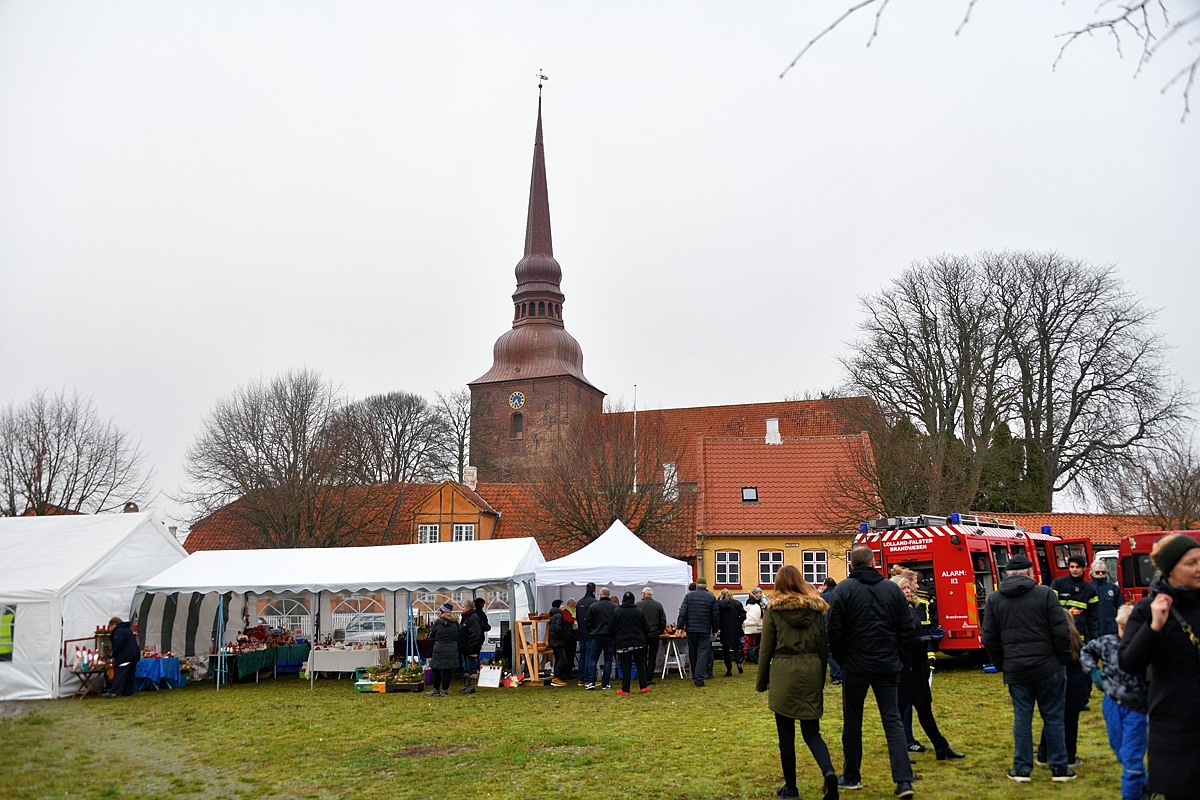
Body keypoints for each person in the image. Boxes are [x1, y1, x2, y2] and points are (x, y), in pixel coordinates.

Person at [826, 545, 916, 797]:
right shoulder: (891, 589)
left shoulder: (844, 590)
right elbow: (906, 628)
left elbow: (834, 630)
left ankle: (852, 775)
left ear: (852, 565)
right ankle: (903, 780)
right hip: (887, 664)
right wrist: (897, 653)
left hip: (856, 665)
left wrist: (843, 659)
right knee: (892, 720)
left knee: (852, 720)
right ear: (874, 562)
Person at [980, 553, 1075, 783]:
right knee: (1053, 716)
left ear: (1007, 574)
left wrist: (1001, 663)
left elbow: (989, 637)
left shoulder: (994, 599)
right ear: (1031, 572)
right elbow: (1061, 631)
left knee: (1022, 718)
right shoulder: (1045, 594)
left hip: (1016, 668)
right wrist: (1063, 659)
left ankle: (1022, 768)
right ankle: (1060, 767)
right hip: (1049, 666)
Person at [1118, 533, 1200, 800]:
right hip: (1176, 726)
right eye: (1191, 562)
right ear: (1171, 568)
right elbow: (1129, 662)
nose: (1199, 568)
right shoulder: (1147, 609)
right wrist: (1154, 627)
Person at [757, 564, 838, 800]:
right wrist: (821, 675)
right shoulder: (816, 609)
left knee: (786, 734)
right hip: (811, 669)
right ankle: (829, 771)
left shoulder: (774, 609)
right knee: (812, 732)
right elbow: (824, 646)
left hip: (784, 670)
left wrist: (762, 681)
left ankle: (791, 788)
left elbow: (766, 649)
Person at [891, 574, 964, 762]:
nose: (907, 591)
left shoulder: (911, 608)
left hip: (917, 666)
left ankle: (941, 747)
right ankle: (901, 752)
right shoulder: (895, 611)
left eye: (908, 587)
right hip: (905, 668)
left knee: (924, 709)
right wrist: (920, 641)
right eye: (903, 588)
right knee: (900, 712)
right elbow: (899, 639)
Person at [1082, 604, 1147, 800]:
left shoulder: (1146, 645)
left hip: (1138, 707)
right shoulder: (1108, 642)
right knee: (1119, 749)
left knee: (1131, 758)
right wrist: (1094, 673)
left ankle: (1134, 792)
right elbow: (1086, 651)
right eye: (1121, 627)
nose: (1125, 632)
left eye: (1129, 627)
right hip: (1111, 703)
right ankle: (1145, 784)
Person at [1035, 613, 1088, 769]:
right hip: (1074, 685)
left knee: (1051, 719)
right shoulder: (1077, 643)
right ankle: (1069, 756)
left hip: (1053, 683)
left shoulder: (1049, 642)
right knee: (1071, 722)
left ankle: (1043, 754)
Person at [677, 577, 719, 688]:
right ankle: (699, 678)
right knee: (702, 653)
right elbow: (715, 616)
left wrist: (680, 627)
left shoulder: (689, 596)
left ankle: (695, 676)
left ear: (696, 585)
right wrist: (714, 630)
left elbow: (683, 612)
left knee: (693, 652)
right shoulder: (711, 597)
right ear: (706, 586)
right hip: (704, 629)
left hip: (691, 629)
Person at [1051, 555, 1099, 642]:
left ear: (1083, 568)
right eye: (1072, 567)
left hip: (1080, 632)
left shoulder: (1089, 590)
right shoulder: (1058, 584)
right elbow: (1050, 606)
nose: (1074, 570)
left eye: (1078, 567)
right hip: (1061, 629)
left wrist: (1094, 638)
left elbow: (1093, 617)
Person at [611, 591, 651, 695]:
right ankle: (644, 686)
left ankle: (625, 689)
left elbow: (611, 628)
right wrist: (642, 636)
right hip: (638, 642)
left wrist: (616, 638)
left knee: (625, 666)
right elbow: (646, 627)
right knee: (641, 664)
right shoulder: (639, 611)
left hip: (623, 644)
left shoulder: (617, 611)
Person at [425, 602, 460, 697]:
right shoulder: (455, 623)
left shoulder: (438, 622)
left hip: (439, 648)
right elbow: (458, 634)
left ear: (442, 612)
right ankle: (445, 690)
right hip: (452, 648)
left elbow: (432, 634)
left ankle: (435, 689)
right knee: (447, 670)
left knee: (436, 669)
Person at [585, 586, 616, 690]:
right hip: (609, 635)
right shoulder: (614, 607)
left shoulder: (594, 606)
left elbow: (587, 622)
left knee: (593, 659)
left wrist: (592, 630)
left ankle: (592, 682)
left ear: (601, 595)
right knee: (608, 660)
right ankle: (605, 683)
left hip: (596, 635)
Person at [457, 597, 490, 694]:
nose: (461, 608)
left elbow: (475, 634)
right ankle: (467, 685)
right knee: (467, 667)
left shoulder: (473, 617)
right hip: (466, 647)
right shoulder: (466, 617)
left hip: (471, 648)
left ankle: (472, 687)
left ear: (468, 608)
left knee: (471, 667)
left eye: (463, 607)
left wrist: (470, 646)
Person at [103, 616, 140, 698]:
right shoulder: (127, 630)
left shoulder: (118, 631)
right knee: (129, 674)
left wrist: (113, 653)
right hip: (134, 655)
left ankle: (114, 691)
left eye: (111, 627)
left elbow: (118, 644)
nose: (111, 629)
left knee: (120, 673)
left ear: (114, 624)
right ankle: (127, 691)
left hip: (125, 656)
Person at [636, 586, 666, 682]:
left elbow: (635, 620)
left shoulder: (638, 605)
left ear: (644, 594)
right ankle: (649, 677)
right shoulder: (658, 605)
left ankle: (643, 676)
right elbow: (663, 621)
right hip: (654, 634)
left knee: (642, 656)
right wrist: (660, 631)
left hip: (642, 635)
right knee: (653, 656)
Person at [717, 588, 746, 676]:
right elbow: (743, 615)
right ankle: (738, 663)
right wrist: (739, 622)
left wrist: (718, 626)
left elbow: (717, 616)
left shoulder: (719, 604)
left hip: (724, 628)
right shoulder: (737, 603)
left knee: (725, 650)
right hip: (736, 628)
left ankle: (729, 669)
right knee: (736, 647)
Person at [575, 583, 598, 687]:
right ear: (594, 591)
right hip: (590, 633)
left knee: (583, 655)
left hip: (581, 633)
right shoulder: (594, 603)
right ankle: (589, 678)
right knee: (590, 655)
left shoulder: (579, 602)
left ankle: (581, 678)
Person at [1090, 560, 1120, 638]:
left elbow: (1120, 608)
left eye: (1103, 572)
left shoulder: (1113, 588)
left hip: (1111, 629)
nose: (1100, 574)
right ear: (1092, 573)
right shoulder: (1088, 588)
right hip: (1094, 629)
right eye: (1097, 572)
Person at [820, 578, 841, 685]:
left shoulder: (823, 597)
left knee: (829, 652)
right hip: (841, 626)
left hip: (827, 627)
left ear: (826, 586)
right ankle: (836, 674)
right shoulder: (841, 594)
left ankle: (837, 674)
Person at [547, 599, 571, 687]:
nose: (563, 606)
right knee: (562, 658)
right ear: (558, 606)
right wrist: (564, 636)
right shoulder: (559, 616)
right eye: (562, 604)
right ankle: (556, 677)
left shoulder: (553, 615)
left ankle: (557, 676)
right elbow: (558, 628)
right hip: (557, 641)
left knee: (558, 658)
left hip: (554, 640)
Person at [743, 587, 765, 663]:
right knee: (751, 640)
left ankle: (750, 654)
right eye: (760, 593)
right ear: (755, 594)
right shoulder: (753, 603)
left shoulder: (758, 602)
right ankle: (749, 654)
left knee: (753, 640)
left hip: (754, 624)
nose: (761, 594)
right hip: (755, 624)